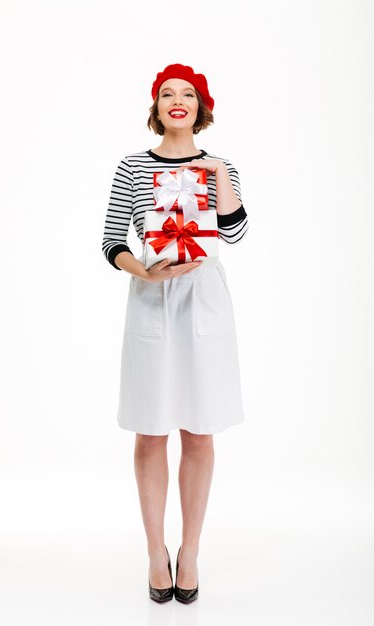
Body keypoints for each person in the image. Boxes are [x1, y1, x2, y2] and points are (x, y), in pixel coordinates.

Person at [102, 63, 249, 603]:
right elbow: (111, 238)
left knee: (200, 428)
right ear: (156, 106)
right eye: (168, 94)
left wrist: (220, 179)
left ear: (201, 107)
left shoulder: (220, 166)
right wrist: (142, 270)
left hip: (205, 298)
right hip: (152, 294)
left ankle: (190, 550)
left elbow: (235, 230)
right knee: (150, 430)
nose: (178, 101)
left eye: (188, 94)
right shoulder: (133, 165)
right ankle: (154, 551)